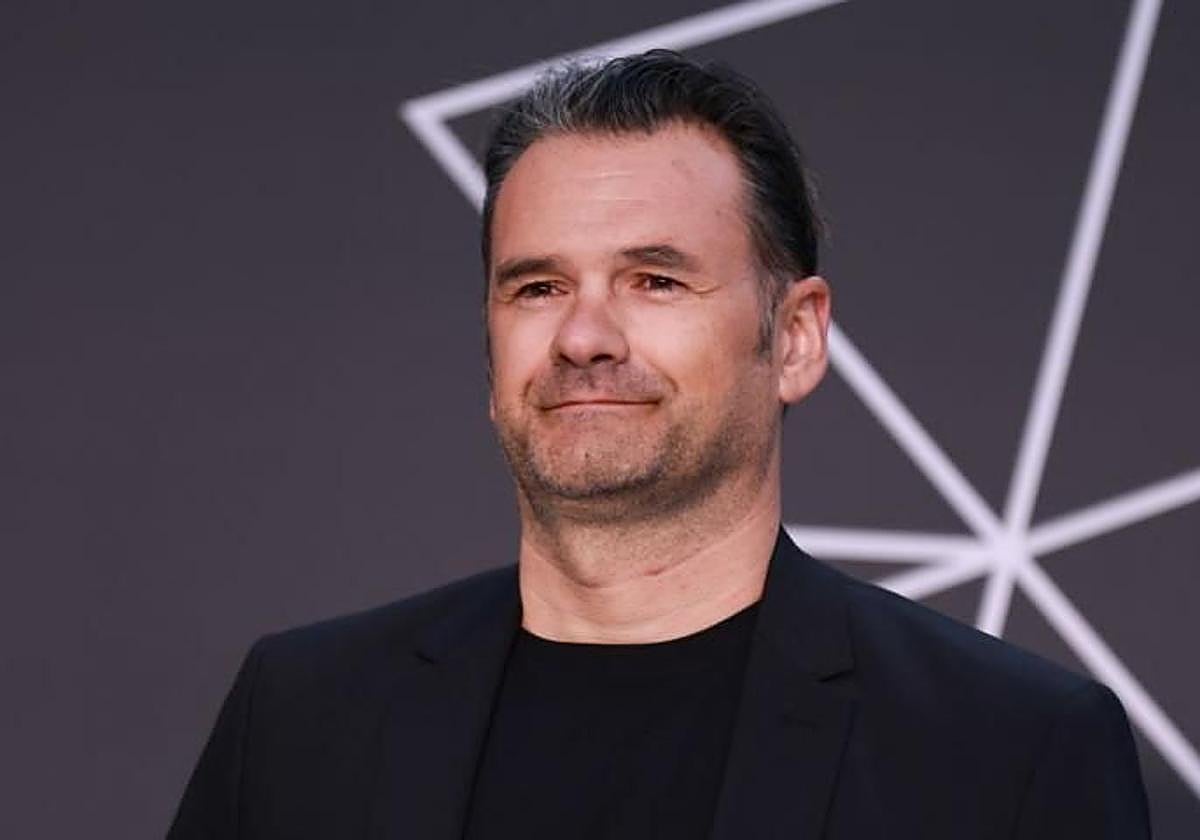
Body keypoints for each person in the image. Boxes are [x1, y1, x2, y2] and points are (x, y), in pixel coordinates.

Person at [168, 50, 1150, 839]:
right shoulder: (301, 720)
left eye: (656, 281)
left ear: (795, 339)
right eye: (538, 287)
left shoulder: (1008, 751)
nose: (584, 337)